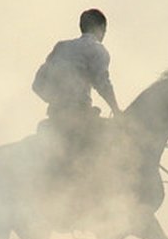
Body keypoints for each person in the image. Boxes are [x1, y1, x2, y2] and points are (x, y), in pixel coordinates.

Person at [33, 9, 121, 149]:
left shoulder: (61, 46)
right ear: (101, 29)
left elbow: (37, 84)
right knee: (113, 142)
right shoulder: (97, 49)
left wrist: (56, 100)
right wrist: (116, 110)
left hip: (55, 115)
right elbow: (103, 84)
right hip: (80, 116)